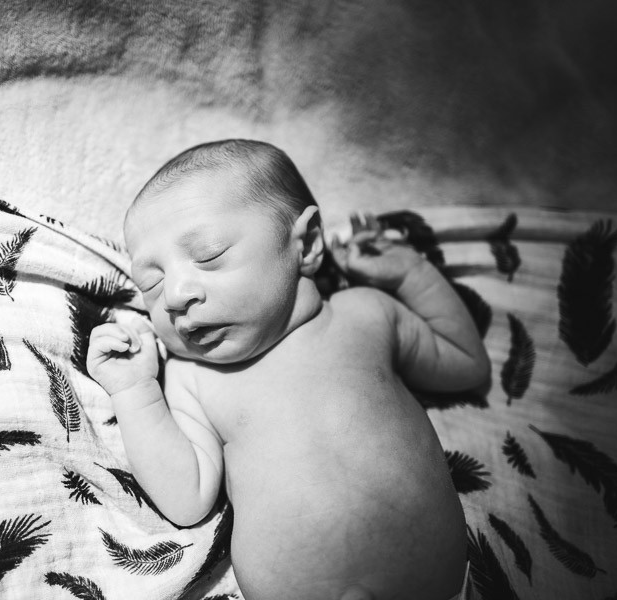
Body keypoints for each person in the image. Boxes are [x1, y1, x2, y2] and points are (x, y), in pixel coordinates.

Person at [86, 139, 489, 600]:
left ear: (308, 243)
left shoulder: (366, 316)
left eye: (210, 254)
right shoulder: (193, 378)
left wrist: (409, 274)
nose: (175, 295)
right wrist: (135, 390)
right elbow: (185, 498)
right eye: (151, 284)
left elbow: (466, 363)